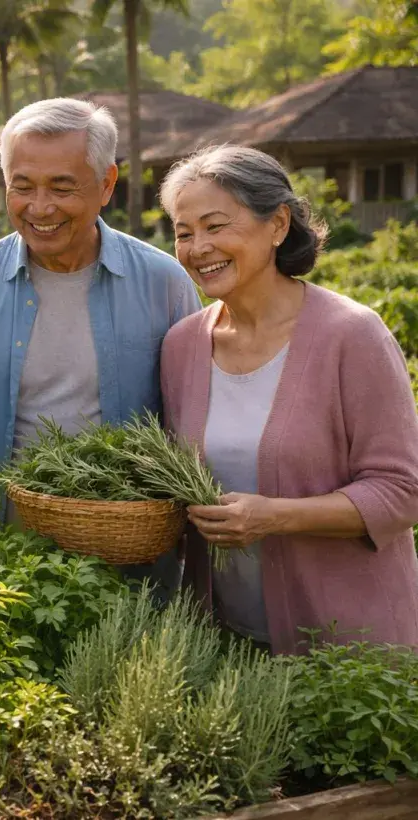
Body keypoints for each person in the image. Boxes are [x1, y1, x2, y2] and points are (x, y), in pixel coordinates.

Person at [0, 98, 201, 597]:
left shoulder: (162, 282)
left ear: (106, 184)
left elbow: (197, 412)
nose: (39, 208)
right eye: (22, 186)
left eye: (62, 187)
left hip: (127, 558)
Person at [158, 145, 418, 653]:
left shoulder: (353, 335)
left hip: (349, 652)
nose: (198, 247)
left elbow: (401, 491)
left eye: (215, 226)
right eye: (183, 234)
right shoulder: (181, 346)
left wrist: (274, 515)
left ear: (277, 224)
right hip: (229, 645)